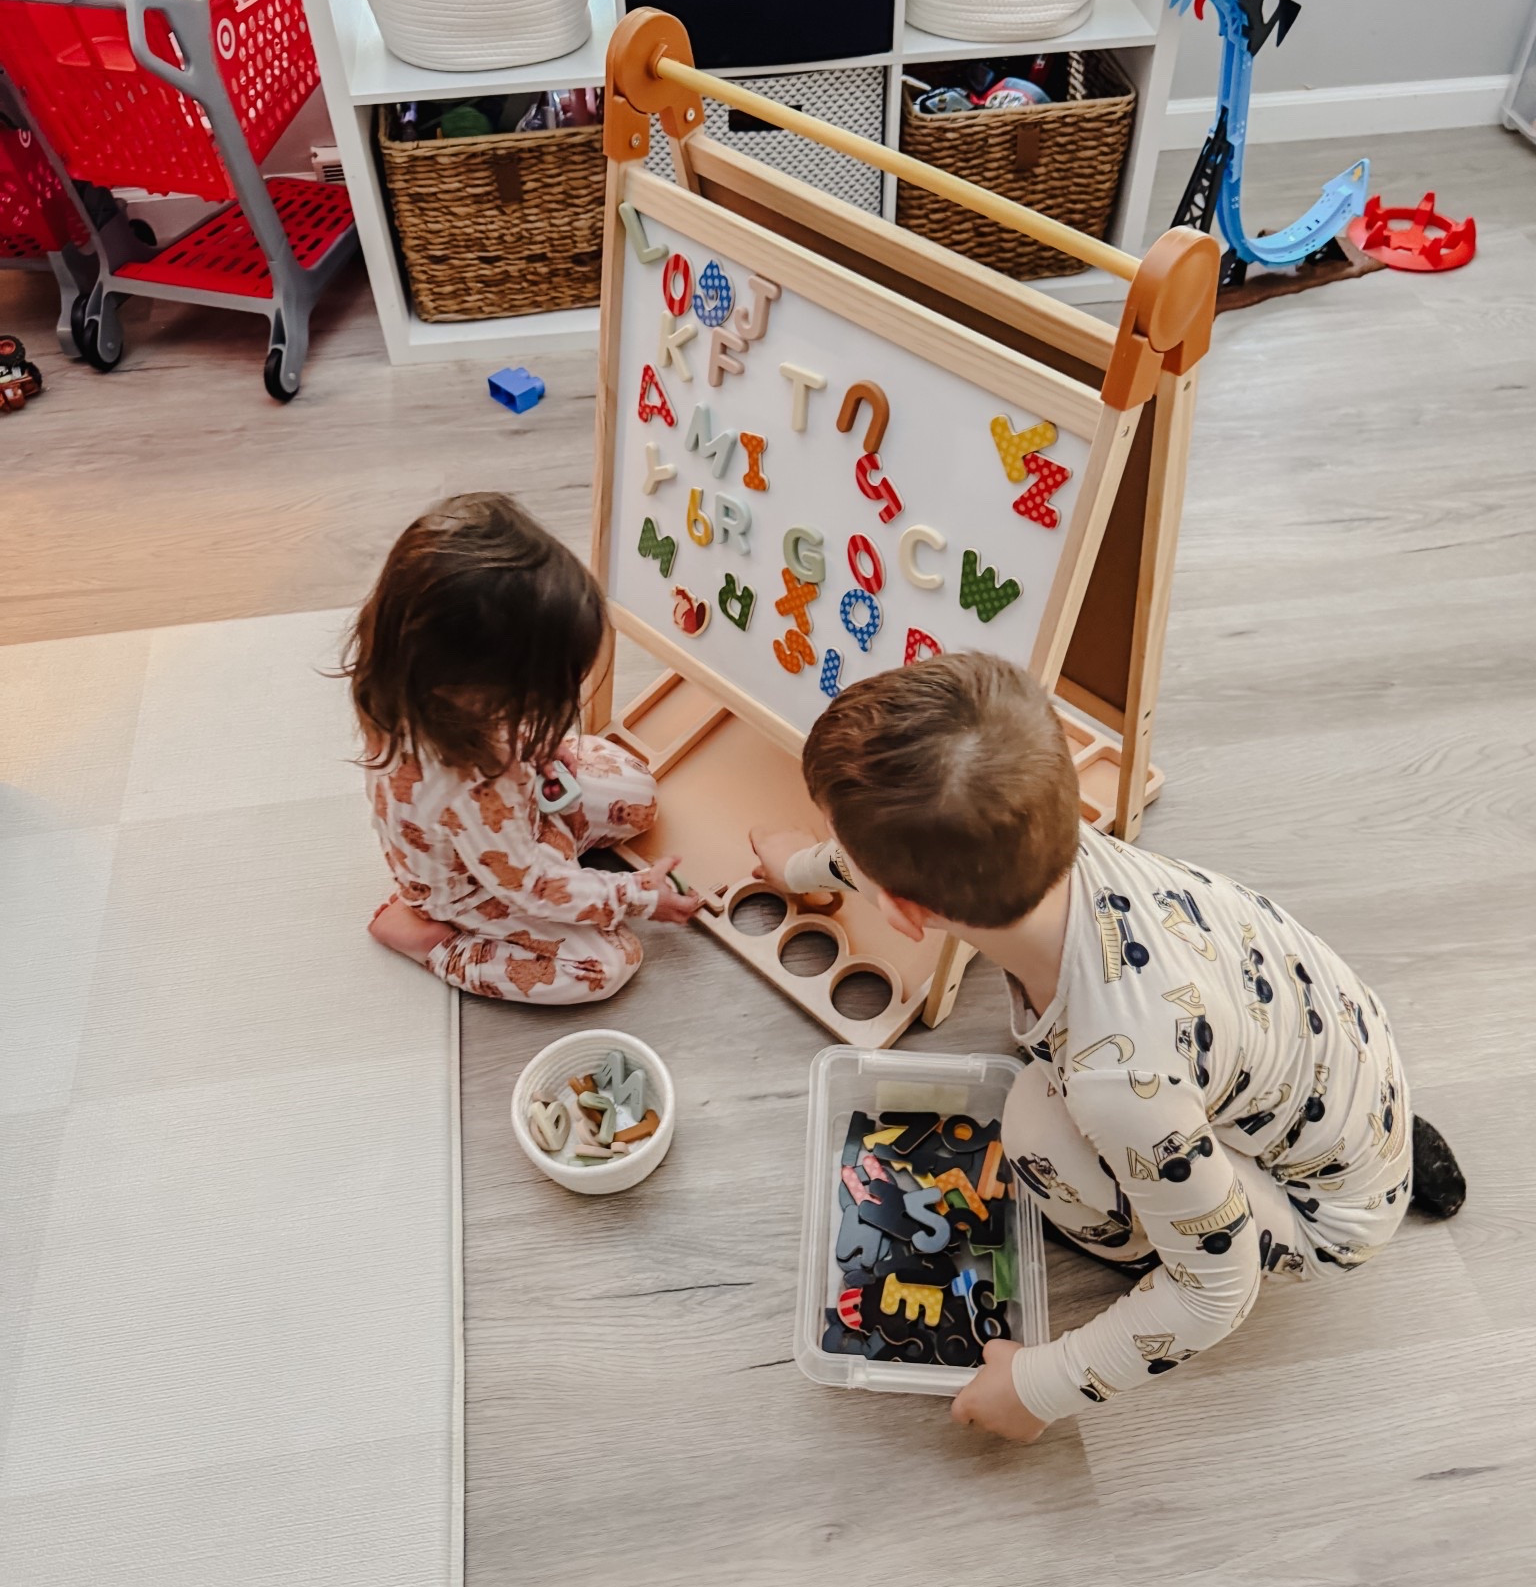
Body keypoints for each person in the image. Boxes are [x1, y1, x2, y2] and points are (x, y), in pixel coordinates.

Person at [750, 652, 1465, 1443]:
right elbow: (898, 851)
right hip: (1343, 1055)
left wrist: (1037, 1387)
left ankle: (1183, 1233)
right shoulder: (1037, 823)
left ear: (903, 911)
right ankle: (1378, 1163)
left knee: (1032, 1125)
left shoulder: (1121, 1081)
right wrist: (800, 866)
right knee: (1111, 1100)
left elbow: (1211, 1294)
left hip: (1319, 1215)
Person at [345, 492, 700, 1002]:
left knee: (638, 793)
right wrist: (635, 893)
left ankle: (566, 851)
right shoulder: (463, 789)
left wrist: (540, 749)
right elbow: (528, 885)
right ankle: (430, 942)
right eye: (541, 693)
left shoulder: (428, 688)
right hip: (479, 886)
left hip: (513, 830)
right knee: (609, 963)